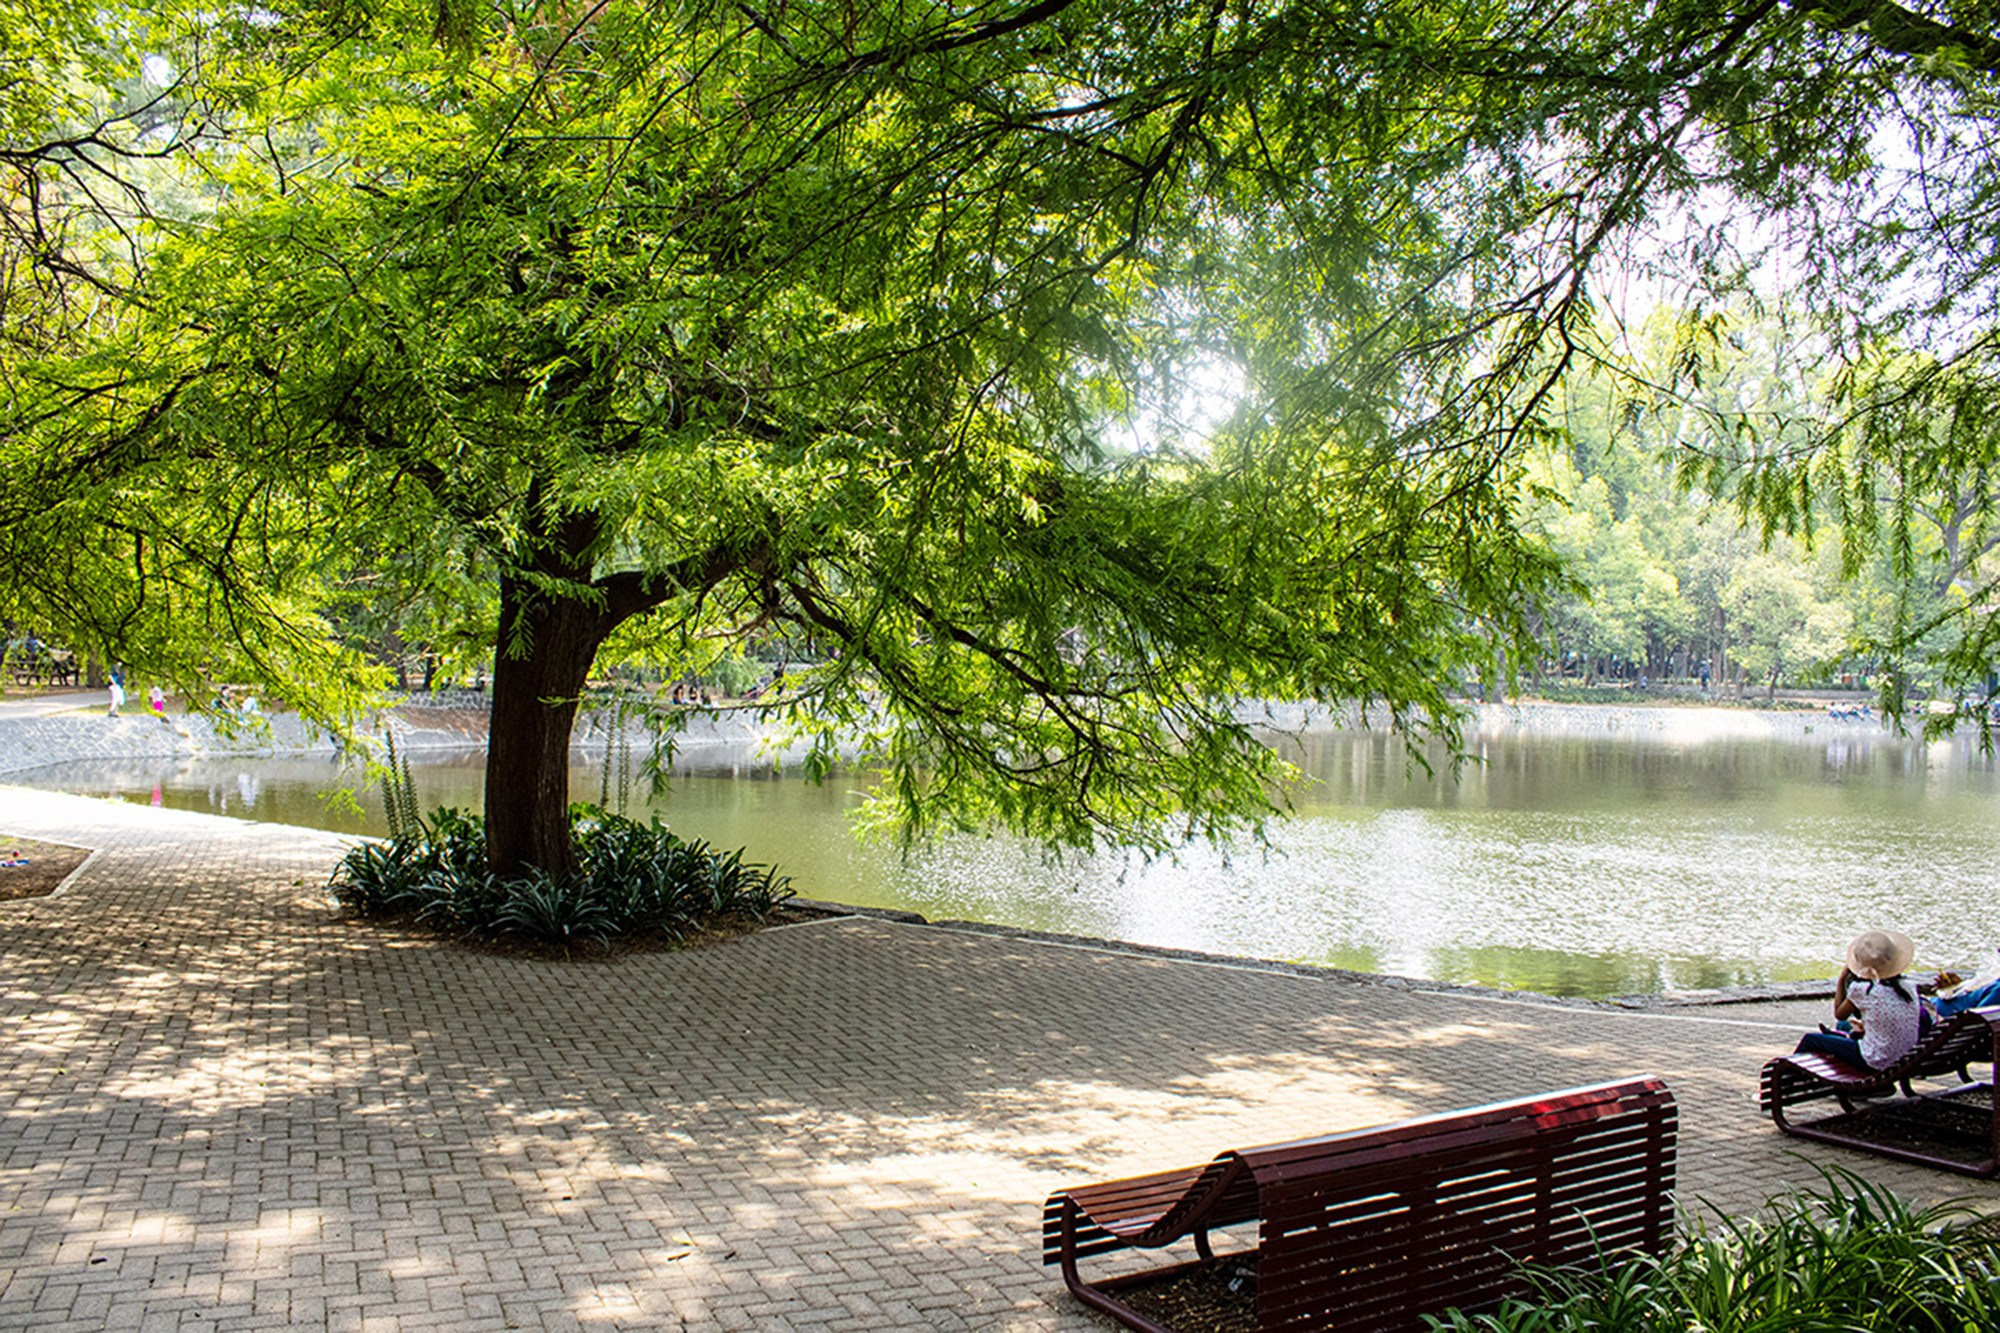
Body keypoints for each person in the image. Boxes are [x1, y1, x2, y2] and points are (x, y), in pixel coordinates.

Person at [1793, 929, 1924, 1069]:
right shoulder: (1908, 987)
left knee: (1811, 1039)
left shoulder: (1863, 990)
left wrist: (1841, 980)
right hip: (1905, 1058)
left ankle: (1788, 1081)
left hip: (1876, 1060)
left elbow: (1840, 1014)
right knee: (1844, 1031)